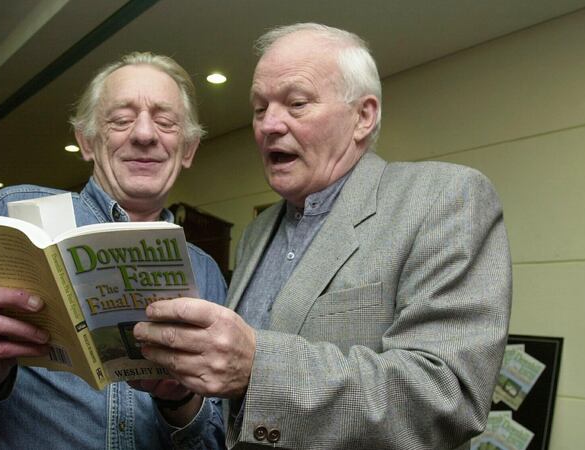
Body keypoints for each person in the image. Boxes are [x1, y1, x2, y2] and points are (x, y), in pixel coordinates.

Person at [133, 23, 512, 449]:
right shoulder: (257, 232)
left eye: (296, 103)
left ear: (362, 117)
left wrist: (260, 366)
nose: (269, 125)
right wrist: (182, 396)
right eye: (260, 108)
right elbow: (239, 417)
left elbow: (448, 396)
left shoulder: (444, 198)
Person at [0, 52, 227, 449]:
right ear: (87, 141)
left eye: (165, 121)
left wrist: (181, 402)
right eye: (121, 120)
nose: (144, 134)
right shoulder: (11, 217)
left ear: (189, 149)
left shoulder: (206, 271)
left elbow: (217, 437)